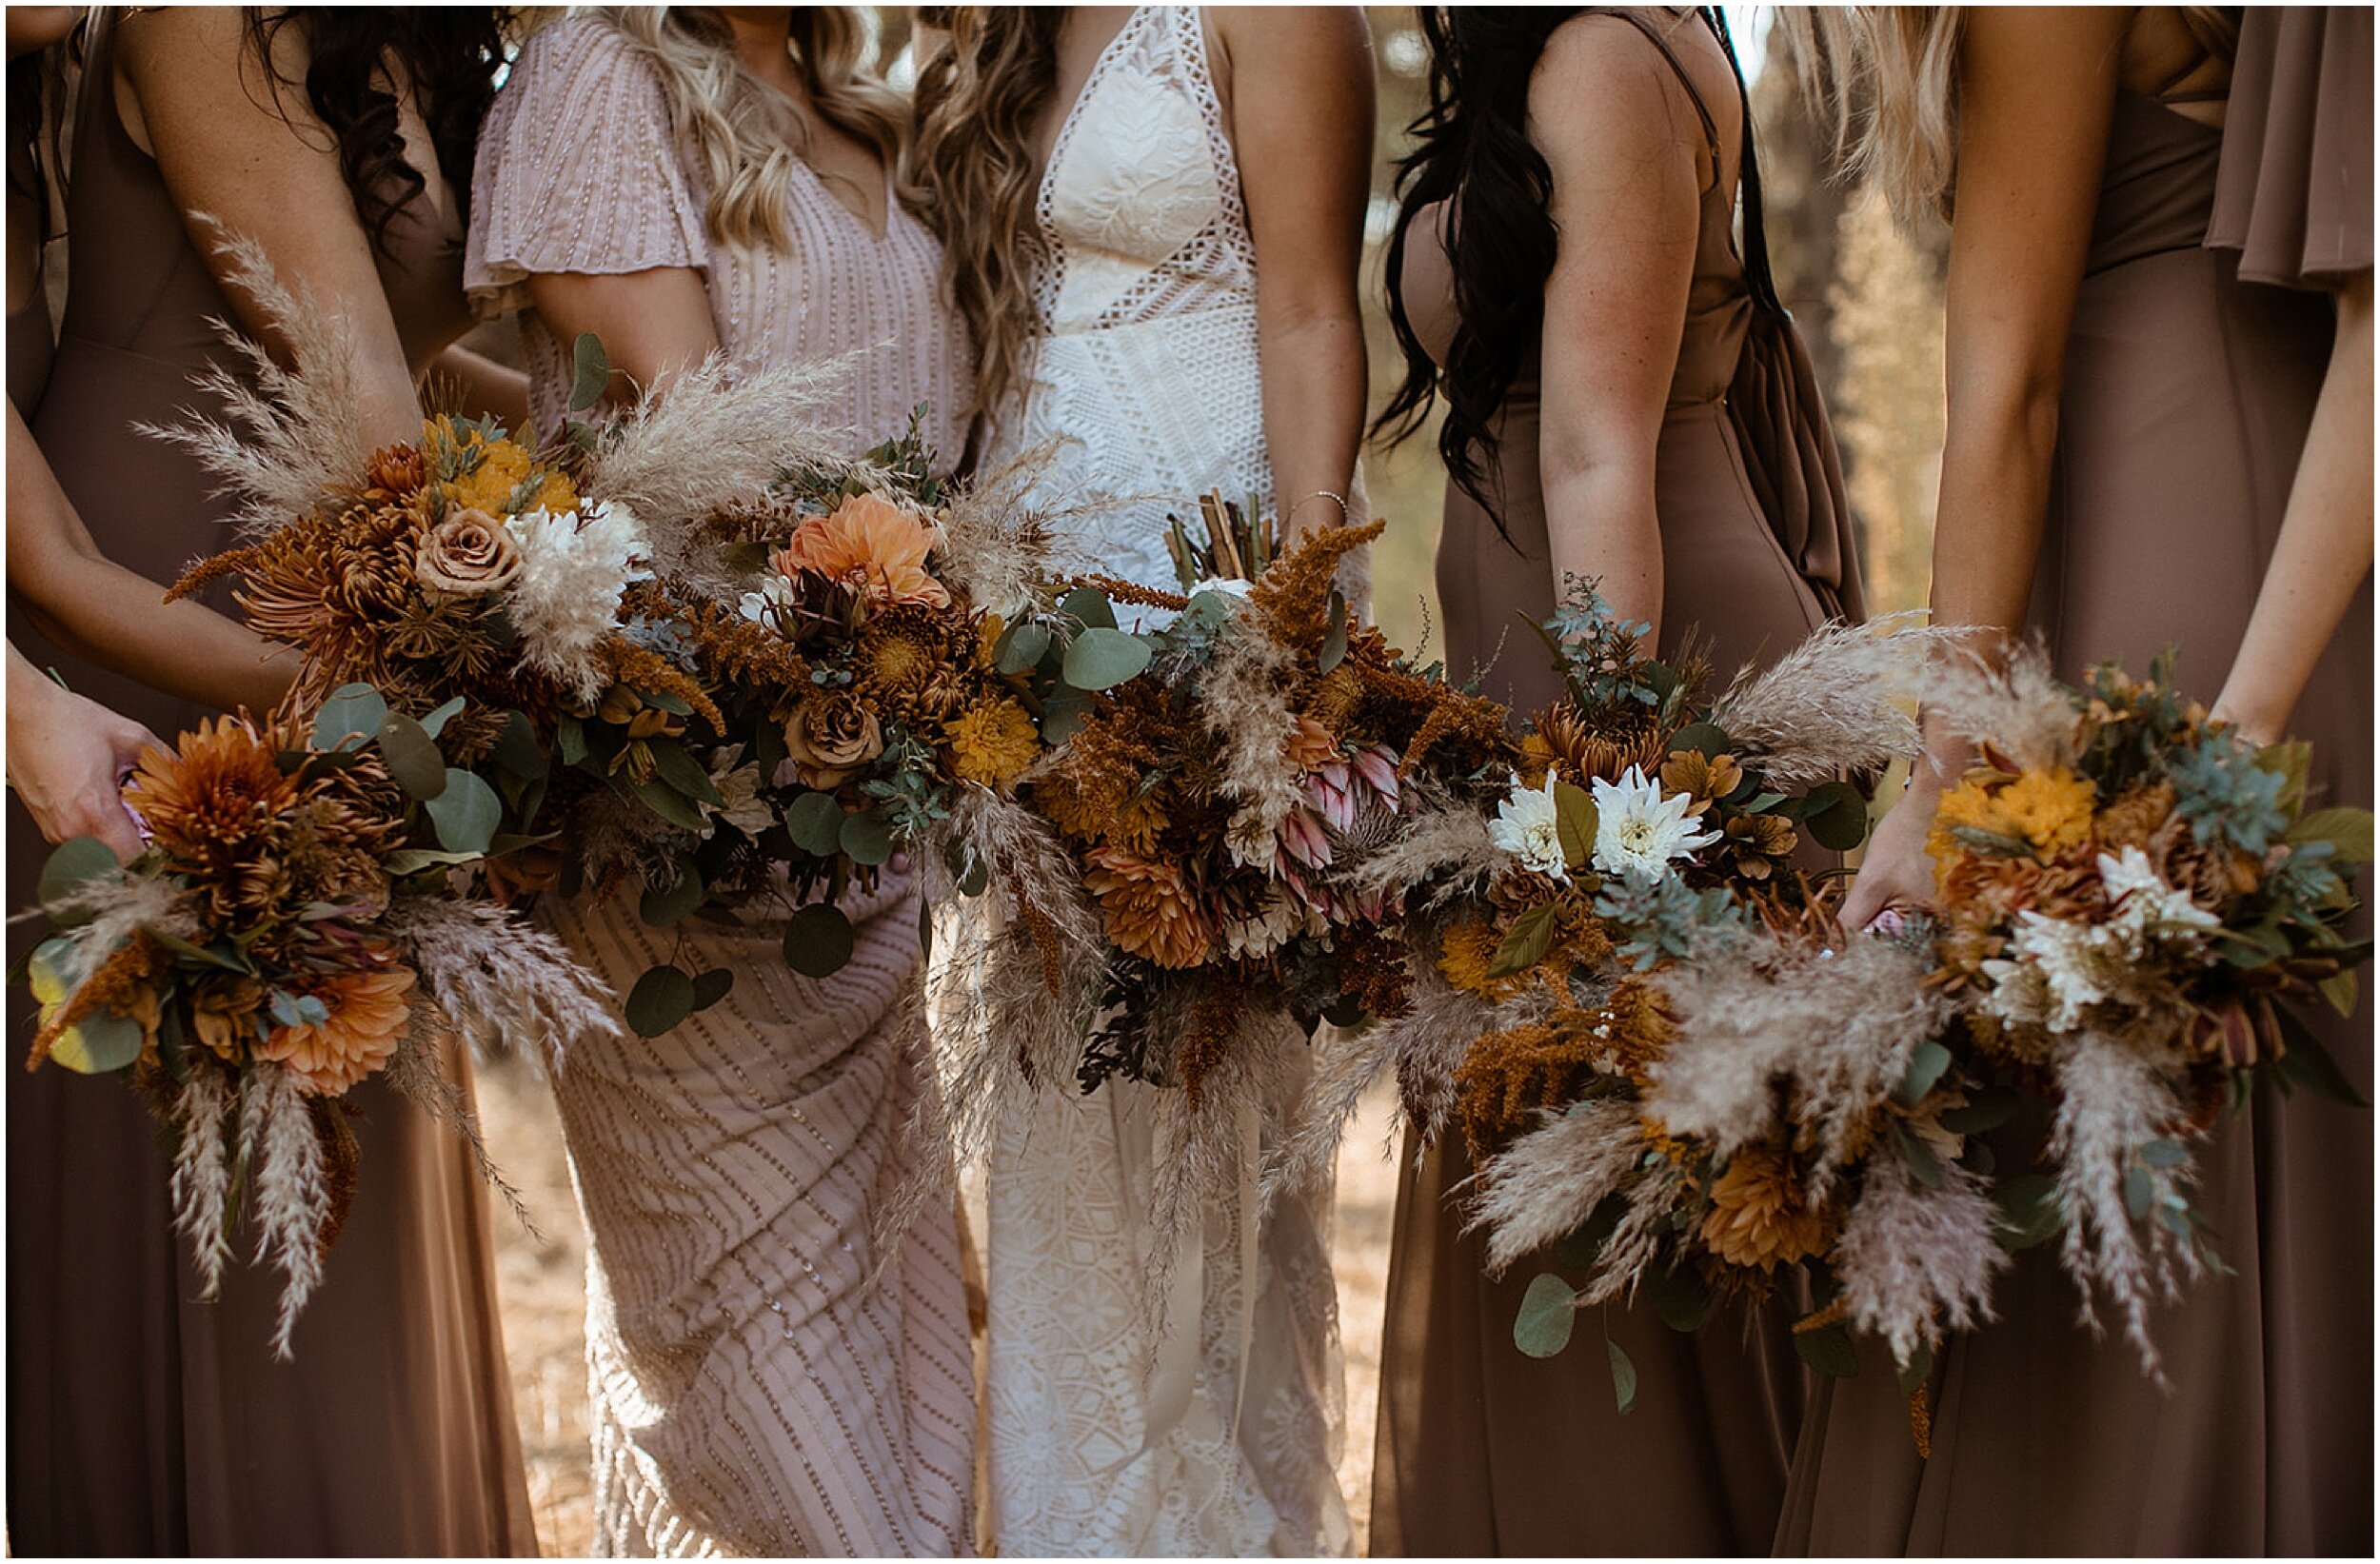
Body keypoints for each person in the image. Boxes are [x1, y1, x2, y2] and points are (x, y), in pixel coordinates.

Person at [1779, 8, 2370, 1551]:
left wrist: (1935, 781)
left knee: (2129, 1108)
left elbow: (2009, 396)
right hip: (2298, 521)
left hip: (2154, 534)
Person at [5, 8, 536, 1553]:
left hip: (345, 589)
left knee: (339, 1147)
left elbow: (424, 375)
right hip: (167, 592)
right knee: (214, 1170)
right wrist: (467, 686)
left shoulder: (423, 39)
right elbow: (358, 386)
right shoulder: (200, 17)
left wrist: (621, 472)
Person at [465, 9, 976, 1553]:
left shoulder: (864, 99)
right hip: (690, 809)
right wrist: (930, 614)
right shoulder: (601, 74)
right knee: (751, 1359)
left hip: (871, 805)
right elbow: (706, 454)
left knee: (886, 1355)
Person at [1365, 8, 1866, 1554]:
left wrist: (1603, 786)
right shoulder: (1559, 48)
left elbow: (1596, 448)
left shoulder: (1598, 51)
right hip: (1552, 661)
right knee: (1584, 1184)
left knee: (1628, 1176)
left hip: (1630, 669)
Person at [910, 6, 1372, 1553]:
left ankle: (1224, 1525)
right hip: (1025, 621)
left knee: (1202, 1114)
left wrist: (1288, 622)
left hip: (1204, 595)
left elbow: (1311, 311)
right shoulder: (998, 25)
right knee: (1049, 1107)